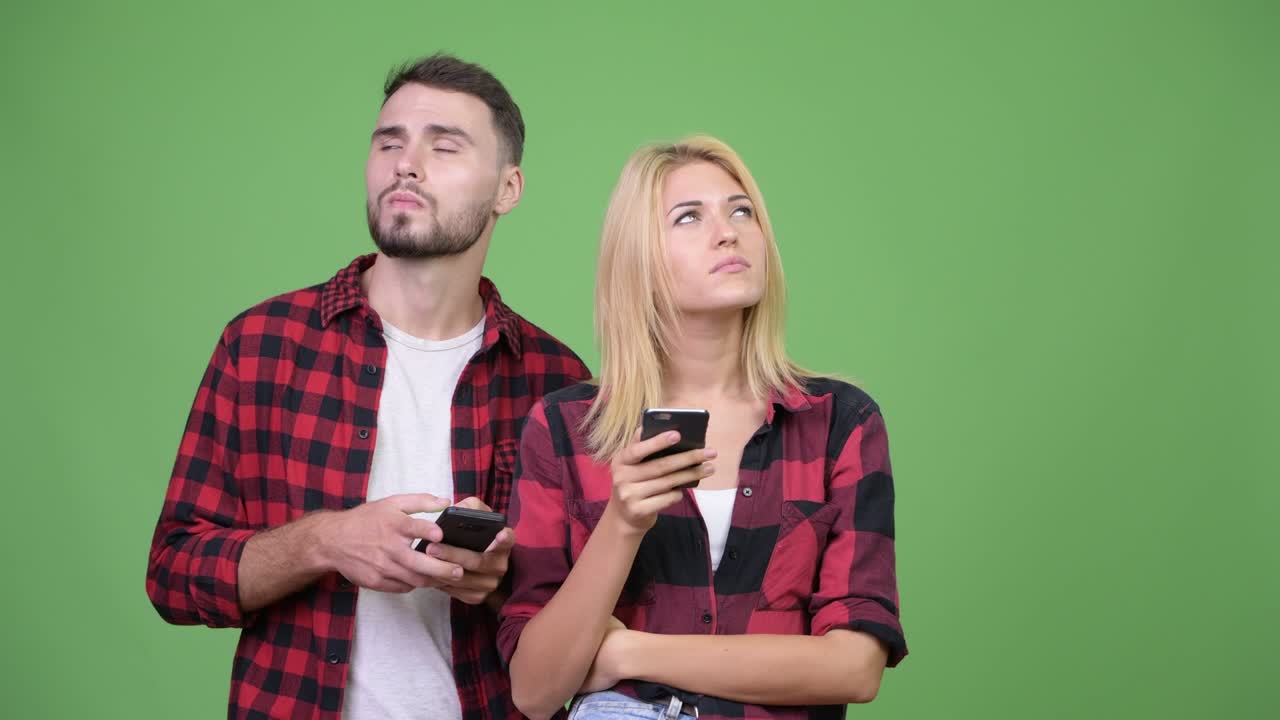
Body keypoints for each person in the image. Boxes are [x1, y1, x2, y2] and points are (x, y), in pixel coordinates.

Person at [146, 53, 590, 720]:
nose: (406, 163)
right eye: (390, 142)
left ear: (508, 189)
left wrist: (501, 585)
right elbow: (174, 577)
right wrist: (323, 541)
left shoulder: (557, 382)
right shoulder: (261, 345)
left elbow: (586, 615)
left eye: (444, 145)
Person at [499, 136, 906, 720]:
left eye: (741, 211)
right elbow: (535, 691)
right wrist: (623, 523)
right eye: (689, 217)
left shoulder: (840, 422)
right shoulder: (567, 428)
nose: (728, 231)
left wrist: (629, 650)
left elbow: (854, 668)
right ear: (639, 256)